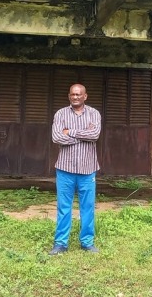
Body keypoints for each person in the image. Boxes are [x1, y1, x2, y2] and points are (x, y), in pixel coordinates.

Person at [48, 83, 102, 255]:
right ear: (69, 96)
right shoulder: (60, 114)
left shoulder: (94, 114)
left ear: (85, 96)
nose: (76, 97)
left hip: (88, 170)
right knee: (64, 207)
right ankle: (60, 243)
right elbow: (56, 137)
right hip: (65, 169)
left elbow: (95, 135)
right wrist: (83, 135)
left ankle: (87, 242)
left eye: (79, 94)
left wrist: (69, 131)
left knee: (88, 207)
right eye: (73, 94)